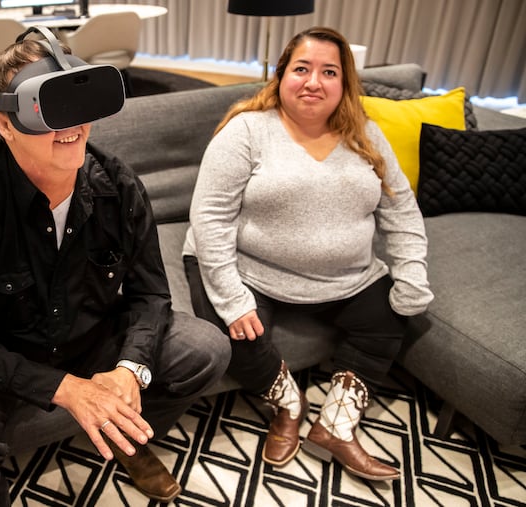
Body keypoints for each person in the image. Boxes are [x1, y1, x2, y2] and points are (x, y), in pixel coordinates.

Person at [0, 27, 231, 506]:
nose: (72, 125)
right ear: (5, 123)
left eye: (76, 103)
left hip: (90, 336)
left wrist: (128, 369)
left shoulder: (119, 186)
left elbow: (150, 296)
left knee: (205, 348)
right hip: (0, 355)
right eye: (48, 108)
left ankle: (127, 439)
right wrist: (65, 389)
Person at [182, 26, 433, 482]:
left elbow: (402, 213)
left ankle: (336, 426)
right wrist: (232, 297)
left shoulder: (368, 136)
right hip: (250, 267)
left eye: (328, 72)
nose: (313, 81)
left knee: (393, 316)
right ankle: (288, 406)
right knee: (234, 334)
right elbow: (210, 218)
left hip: (348, 275)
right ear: (281, 76)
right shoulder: (247, 131)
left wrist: (412, 273)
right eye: (301, 68)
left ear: (345, 84)